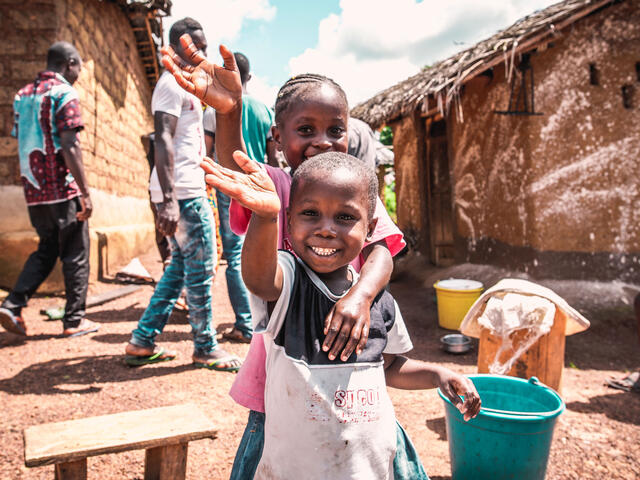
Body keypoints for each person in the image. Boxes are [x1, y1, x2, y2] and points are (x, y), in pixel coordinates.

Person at [162, 36, 424, 479]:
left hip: (351, 368)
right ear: (278, 138)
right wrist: (229, 114)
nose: (322, 141)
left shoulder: (353, 189)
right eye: (306, 130)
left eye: (335, 130)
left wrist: (359, 297)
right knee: (278, 446)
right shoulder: (280, 187)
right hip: (286, 365)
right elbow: (235, 168)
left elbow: (382, 251)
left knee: (359, 443)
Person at [205, 151, 481, 478]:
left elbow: (389, 367)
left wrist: (437, 374)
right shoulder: (289, 282)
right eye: (310, 213)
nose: (326, 229)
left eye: (345, 218)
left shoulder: (378, 301)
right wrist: (265, 218)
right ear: (290, 220)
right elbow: (259, 278)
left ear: (371, 229)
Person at [124, 18, 241, 372]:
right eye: (196, 47)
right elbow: (161, 138)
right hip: (184, 193)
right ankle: (205, 346)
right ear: (176, 46)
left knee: (178, 267)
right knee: (203, 267)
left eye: (204, 47)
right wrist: (170, 199)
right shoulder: (169, 86)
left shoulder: (188, 87)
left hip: (187, 188)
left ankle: (142, 340)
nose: (202, 54)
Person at [0, 41, 99, 338]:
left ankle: (13, 304)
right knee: (76, 252)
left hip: (34, 190)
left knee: (47, 249)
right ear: (69, 64)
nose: (79, 74)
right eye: (79, 67)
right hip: (63, 189)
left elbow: (20, 139)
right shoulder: (64, 93)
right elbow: (70, 144)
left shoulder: (22, 96)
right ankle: (74, 321)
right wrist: (84, 192)